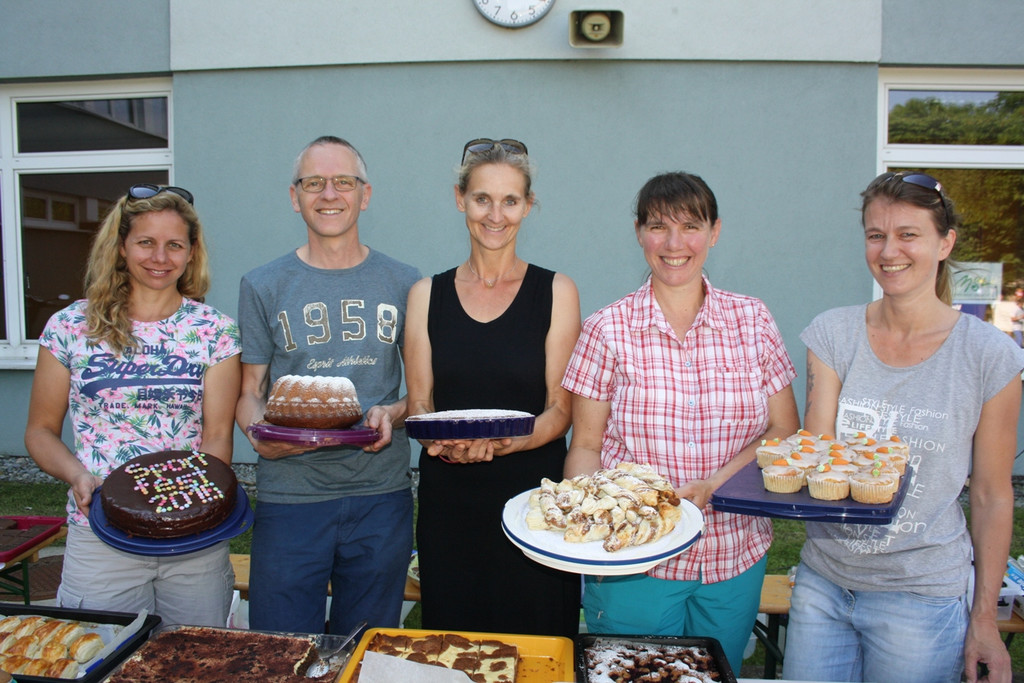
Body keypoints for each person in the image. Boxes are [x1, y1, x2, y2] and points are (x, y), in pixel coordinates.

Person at [783, 172, 1024, 683]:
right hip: (824, 583)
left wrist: (983, 618)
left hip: (921, 595)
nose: (889, 250)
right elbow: (819, 451)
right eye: (876, 235)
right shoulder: (833, 333)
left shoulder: (990, 356)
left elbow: (990, 495)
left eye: (908, 234)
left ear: (945, 242)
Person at [561, 171, 800, 671]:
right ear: (638, 233)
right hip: (635, 562)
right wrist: (581, 520)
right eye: (657, 226)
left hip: (734, 551)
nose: (674, 244)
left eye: (690, 226)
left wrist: (716, 482)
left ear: (714, 232)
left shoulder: (752, 320)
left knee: (717, 673)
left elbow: (783, 429)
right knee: (635, 675)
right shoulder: (606, 328)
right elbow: (585, 443)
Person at [24, 184, 241, 627]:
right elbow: (40, 430)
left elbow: (217, 435)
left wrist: (189, 509)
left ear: (191, 252)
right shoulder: (69, 327)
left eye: (174, 245)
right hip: (101, 533)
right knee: (100, 659)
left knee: (196, 662)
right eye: (146, 242)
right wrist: (78, 475)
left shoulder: (214, 330)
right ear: (121, 247)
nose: (160, 257)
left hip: (192, 541)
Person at [235, 135, 420, 636]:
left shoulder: (406, 283)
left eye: (343, 181)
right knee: (282, 649)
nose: (329, 194)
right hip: (291, 497)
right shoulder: (263, 284)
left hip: (379, 495)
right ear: (295, 197)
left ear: (366, 194)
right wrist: (259, 435)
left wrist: (394, 411)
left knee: (365, 646)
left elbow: (425, 392)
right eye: (314, 183)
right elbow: (249, 388)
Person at [405, 138, 582, 637]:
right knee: (456, 647)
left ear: (528, 206)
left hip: (535, 506)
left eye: (510, 200)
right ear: (460, 198)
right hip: (450, 504)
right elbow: (420, 404)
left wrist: (508, 443)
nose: (495, 215)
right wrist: (442, 443)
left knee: (537, 646)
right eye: (483, 198)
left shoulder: (557, 291)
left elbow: (559, 409)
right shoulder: (425, 296)